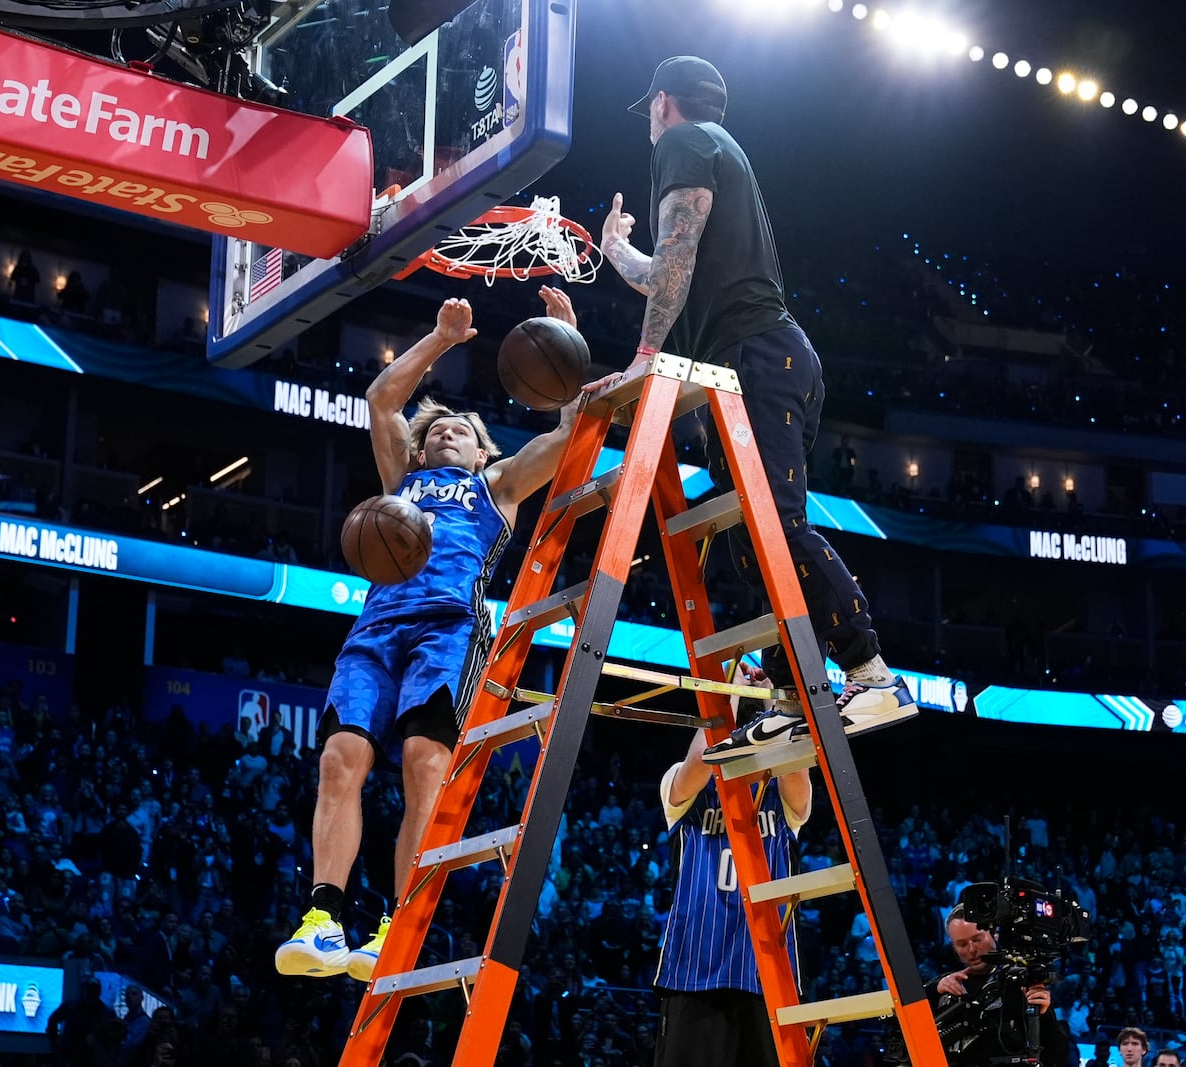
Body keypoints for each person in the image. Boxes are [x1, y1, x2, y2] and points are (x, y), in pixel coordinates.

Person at [591, 56, 914, 759]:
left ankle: (872, 672)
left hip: (760, 356)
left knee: (778, 526)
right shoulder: (713, 147)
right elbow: (668, 267)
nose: (649, 122)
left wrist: (645, 358)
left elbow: (674, 259)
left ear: (662, 103)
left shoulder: (684, 140)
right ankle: (795, 690)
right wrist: (616, 251)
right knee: (747, 543)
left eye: (649, 110)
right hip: (748, 363)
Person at [275, 290, 582, 982]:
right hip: (376, 627)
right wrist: (442, 339)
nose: (446, 431)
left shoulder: (496, 486)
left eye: (461, 430)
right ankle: (324, 918)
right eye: (437, 429)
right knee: (338, 759)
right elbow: (383, 400)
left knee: (422, 761)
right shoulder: (402, 482)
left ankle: (399, 924)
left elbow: (567, 439)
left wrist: (568, 347)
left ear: (482, 452)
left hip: (447, 627)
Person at [653, 664, 810, 1066]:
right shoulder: (685, 785)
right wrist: (729, 693)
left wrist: (779, 705)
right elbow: (703, 756)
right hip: (694, 969)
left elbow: (796, 759)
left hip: (770, 974)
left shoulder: (786, 795)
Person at [924, 909, 1071, 1066]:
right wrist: (933, 991)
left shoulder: (1021, 981)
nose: (971, 949)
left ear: (995, 934)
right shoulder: (943, 985)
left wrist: (1044, 1015)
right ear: (953, 947)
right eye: (962, 944)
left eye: (977, 939)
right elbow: (900, 1029)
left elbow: (1059, 1054)